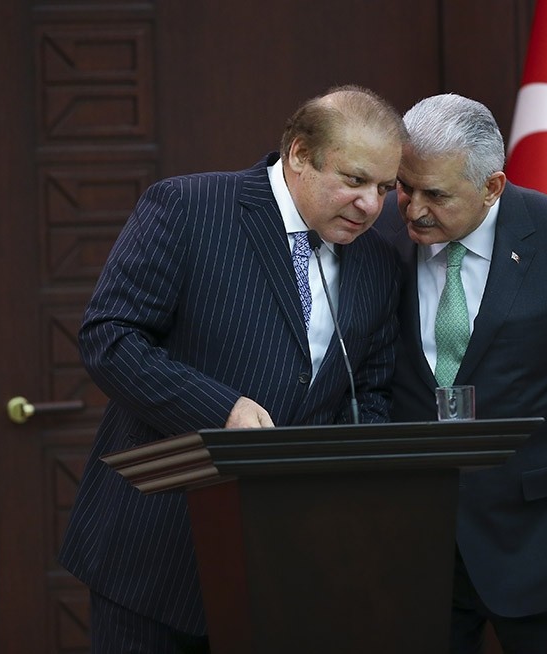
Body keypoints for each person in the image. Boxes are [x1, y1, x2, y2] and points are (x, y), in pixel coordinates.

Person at [59, 85, 407, 653]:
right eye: (354, 179)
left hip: (290, 566)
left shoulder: (378, 260)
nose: (371, 205)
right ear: (299, 153)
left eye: (385, 188)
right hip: (156, 553)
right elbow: (110, 338)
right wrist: (220, 410)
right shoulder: (189, 208)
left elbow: (369, 389)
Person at [375, 93, 547, 654]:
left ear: (492, 186)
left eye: (436, 195)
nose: (414, 210)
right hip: (412, 549)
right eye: (405, 187)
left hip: (542, 548)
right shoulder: (376, 245)